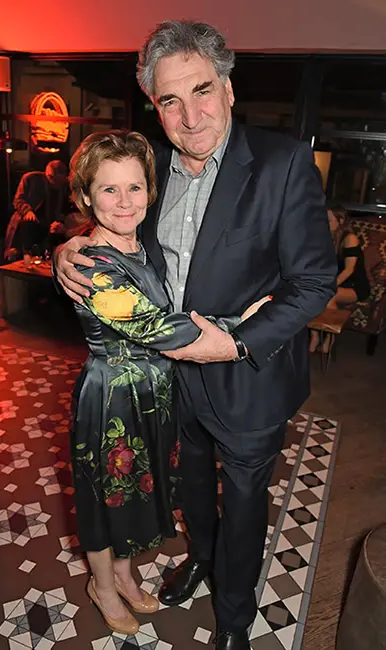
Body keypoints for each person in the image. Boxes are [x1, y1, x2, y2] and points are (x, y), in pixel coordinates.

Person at [54, 21, 337, 650]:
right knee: (191, 486)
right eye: (169, 100)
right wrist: (67, 250)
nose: (189, 114)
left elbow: (315, 281)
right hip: (168, 379)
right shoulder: (147, 166)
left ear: (229, 88)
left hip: (248, 379)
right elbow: (109, 220)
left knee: (242, 503)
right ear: (154, 107)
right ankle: (202, 560)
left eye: (201, 90)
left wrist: (235, 341)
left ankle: (234, 615)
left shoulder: (282, 163)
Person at [68, 128, 263, 636]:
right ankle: (103, 587)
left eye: (135, 187)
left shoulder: (138, 245)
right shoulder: (92, 265)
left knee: (131, 496)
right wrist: (244, 324)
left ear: (149, 191)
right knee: (102, 500)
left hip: (150, 396)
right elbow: (158, 326)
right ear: (86, 196)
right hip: (111, 398)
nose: (125, 201)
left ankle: (126, 580)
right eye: (109, 190)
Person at [309, 205, 370, 354]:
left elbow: (349, 270)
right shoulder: (325, 237)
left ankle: (330, 338)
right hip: (334, 282)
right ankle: (315, 335)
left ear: (340, 220)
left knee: (329, 295)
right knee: (308, 294)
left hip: (355, 286)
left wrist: (328, 286)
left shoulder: (350, 238)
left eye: (328, 220)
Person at [4, 160, 69, 260]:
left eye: (60, 182)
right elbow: (18, 200)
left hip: (46, 232)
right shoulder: (30, 179)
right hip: (24, 229)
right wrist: (27, 211)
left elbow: (64, 209)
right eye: (56, 182)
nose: (58, 186)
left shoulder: (64, 186)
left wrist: (60, 222)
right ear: (49, 176)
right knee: (17, 259)